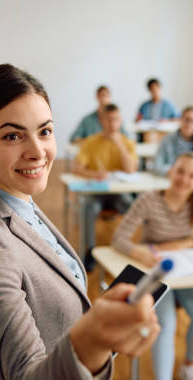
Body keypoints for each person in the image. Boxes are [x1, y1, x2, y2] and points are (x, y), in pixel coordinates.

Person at [0, 64, 159, 380]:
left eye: (44, 131)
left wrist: (103, 325)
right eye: (13, 136)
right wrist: (93, 338)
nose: (37, 150)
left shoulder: (18, 201)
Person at [112, 152, 193, 380]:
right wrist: (139, 251)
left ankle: (190, 365)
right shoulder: (148, 200)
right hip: (156, 272)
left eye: (192, 175)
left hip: (185, 272)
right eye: (180, 171)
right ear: (170, 171)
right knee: (165, 322)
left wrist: (189, 242)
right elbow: (119, 238)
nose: (184, 179)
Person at [73, 103, 138, 269]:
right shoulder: (91, 142)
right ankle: (90, 249)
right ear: (101, 120)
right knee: (88, 207)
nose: (112, 124)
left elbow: (130, 169)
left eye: (115, 120)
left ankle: (124, 246)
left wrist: (119, 144)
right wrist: (94, 174)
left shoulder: (127, 143)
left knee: (133, 207)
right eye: (108, 120)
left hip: (119, 193)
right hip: (97, 192)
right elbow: (77, 168)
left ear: (120, 120)